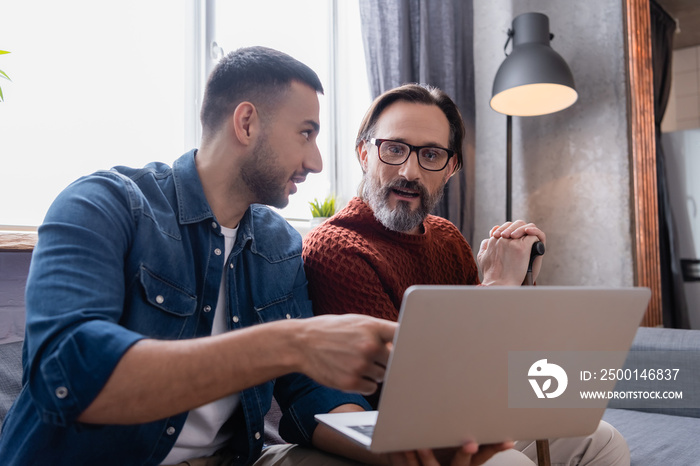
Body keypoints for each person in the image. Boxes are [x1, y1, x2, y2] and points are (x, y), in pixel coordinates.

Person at [0, 49, 511, 466]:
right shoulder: (102, 204)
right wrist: (289, 342)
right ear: (247, 123)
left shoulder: (278, 242)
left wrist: (396, 446)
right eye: (306, 133)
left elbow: (310, 396)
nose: (316, 160)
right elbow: (65, 374)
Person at [302, 83, 630, 465]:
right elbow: (407, 390)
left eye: (431, 155)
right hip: (401, 435)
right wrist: (495, 287)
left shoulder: (446, 237)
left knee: (601, 439)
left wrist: (519, 286)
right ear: (364, 153)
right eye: (394, 149)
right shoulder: (337, 248)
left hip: (469, 420)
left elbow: (490, 360)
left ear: (450, 168)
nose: (409, 171)